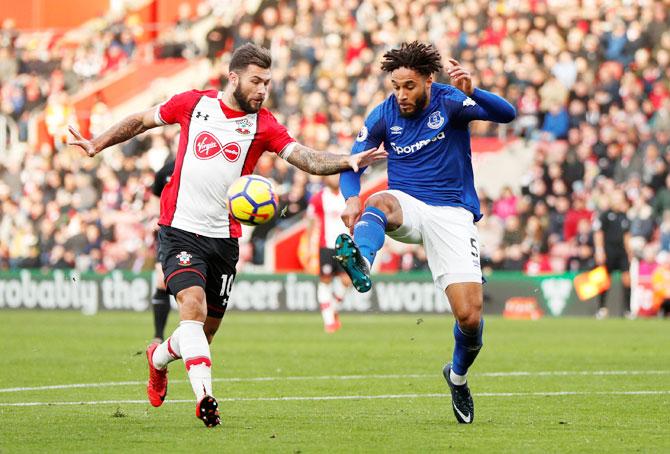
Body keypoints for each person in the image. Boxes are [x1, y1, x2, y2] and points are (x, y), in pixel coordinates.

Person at [69, 42, 385, 427]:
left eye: (267, 83)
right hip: (179, 230)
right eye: (256, 81)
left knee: (203, 333)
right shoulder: (193, 104)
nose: (262, 90)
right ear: (233, 78)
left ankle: (157, 358)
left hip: (224, 240)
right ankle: (206, 399)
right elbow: (140, 120)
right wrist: (97, 143)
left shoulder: (264, 124)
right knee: (192, 307)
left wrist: (346, 161)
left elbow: (305, 157)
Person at [335, 42, 516, 424]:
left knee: (469, 318)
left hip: (452, 213)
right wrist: (351, 197)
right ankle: (362, 260)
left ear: (428, 81)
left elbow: (507, 114)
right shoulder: (383, 114)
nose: (401, 94)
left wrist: (474, 92)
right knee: (378, 201)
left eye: (409, 86)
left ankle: (457, 376)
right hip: (409, 204)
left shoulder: (450, 101)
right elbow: (352, 164)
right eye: (396, 85)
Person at [305, 174, 352, 333]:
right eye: (331, 176)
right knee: (325, 280)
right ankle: (329, 321)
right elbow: (311, 220)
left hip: (344, 245)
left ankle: (333, 309)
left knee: (347, 281)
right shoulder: (319, 197)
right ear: (325, 179)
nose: (335, 178)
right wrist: (308, 244)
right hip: (326, 246)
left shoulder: (348, 196)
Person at [593, 190, 632, 319]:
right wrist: (599, 250)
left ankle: (627, 310)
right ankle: (601, 308)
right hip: (608, 252)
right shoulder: (605, 215)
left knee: (627, 280)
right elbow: (599, 233)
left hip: (621, 253)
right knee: (604, 281)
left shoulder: (624, 216)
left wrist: (629, 252)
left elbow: (627, 236)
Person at [149, 159, 175, 344]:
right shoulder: (164, 172)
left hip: (195, 231)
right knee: (161, 280)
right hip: (168, 231)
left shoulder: (199, 165)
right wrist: (154, 218)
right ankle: (158, 335)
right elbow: (154, 199)